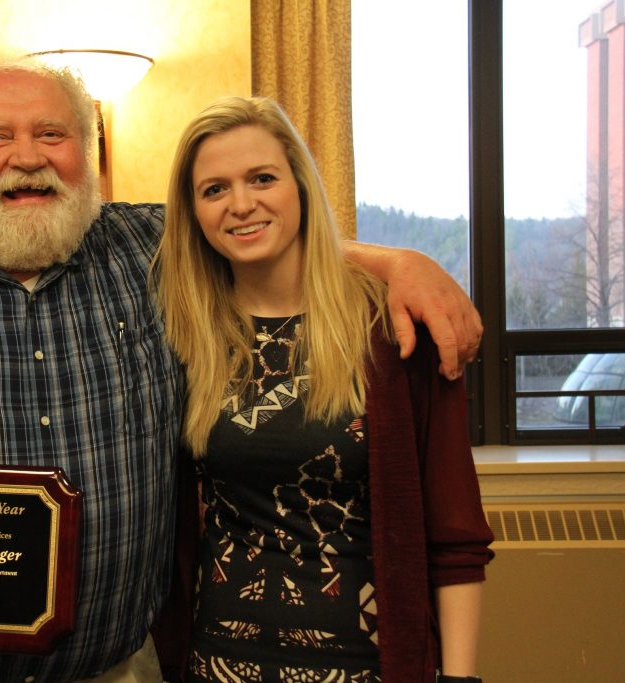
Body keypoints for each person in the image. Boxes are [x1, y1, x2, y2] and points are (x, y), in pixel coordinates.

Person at [0, 61, 484, 683]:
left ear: (89, 152)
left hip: (120, 667)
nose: (27, 156)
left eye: (53, 133)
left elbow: (260, 231)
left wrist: (399, 261)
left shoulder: (147, 250)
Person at [153, 96, 494, 683]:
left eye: (262, 178)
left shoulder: (394, 328)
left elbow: (456, 538)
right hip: (216, 663)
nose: (241, 204)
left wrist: (459, 679)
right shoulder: (182, 332)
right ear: (194, 212)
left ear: (301, 186)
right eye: (215, 189)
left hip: (365, 665)